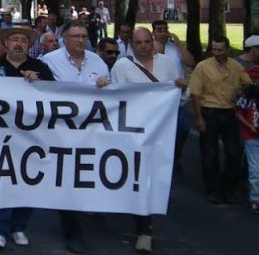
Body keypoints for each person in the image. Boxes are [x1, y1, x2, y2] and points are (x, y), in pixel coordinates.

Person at [110, 27, 187, 253]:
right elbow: (114, 98)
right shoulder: (122, 66)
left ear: (153, 42)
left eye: (147, 41)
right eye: (138, 42)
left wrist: (183, 87)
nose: (143, 45)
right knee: (139, 178)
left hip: (161, 130)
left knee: (155, 177)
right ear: (131, 45)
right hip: (134, 132)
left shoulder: (165, 63)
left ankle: (146, 218)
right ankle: (144, 228)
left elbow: (175, 95)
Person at [0, 25, 54, 250]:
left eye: (23, 40)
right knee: (1, 182)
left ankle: (19, 226)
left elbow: (56, 98)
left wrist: (39, 84)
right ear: (6, 44)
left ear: (29, 45)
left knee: (27, 181)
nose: (18, 43)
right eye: (14, 40)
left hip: (31, 137)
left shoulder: (40, 68)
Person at [41, 21, 110, 254]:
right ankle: (73, 230)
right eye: (76, 36)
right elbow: (37, 92)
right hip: (61, 133)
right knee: (67, 178)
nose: (81, 40)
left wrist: (105, 87)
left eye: (84, 36)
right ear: (64, 38)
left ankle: (86, 210)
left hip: (91, 132)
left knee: (86, 174)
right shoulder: (49, 62)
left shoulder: (98, 62)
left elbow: (113, 96)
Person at [189, 35, 251, 204]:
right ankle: (214, 189)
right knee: (210, 153)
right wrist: (199, 117)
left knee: (233, 153)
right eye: (214, 49)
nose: (216, 53)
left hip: (230, 113)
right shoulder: (203, 67)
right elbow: (196, 94)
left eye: (220, 50)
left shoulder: (236, 67)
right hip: (210, 112)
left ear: (227, 50)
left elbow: (247, 84)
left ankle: (229, 187)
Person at [234, 69, 259, 213]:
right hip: (251, 136)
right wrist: (249, 125)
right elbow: (238, 112)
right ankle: (255, 198)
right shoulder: (248, 94)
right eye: (253, 78)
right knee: (255, 169)